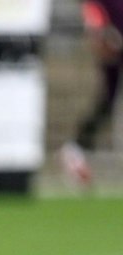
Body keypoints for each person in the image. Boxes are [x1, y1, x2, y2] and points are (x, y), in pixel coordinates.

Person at [62, 0, 123, 188]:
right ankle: (76, 151)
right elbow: (95, 23)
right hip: (114, 48)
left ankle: (76, 150)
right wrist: (102, 38)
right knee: (108, 100)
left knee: (108, 101)